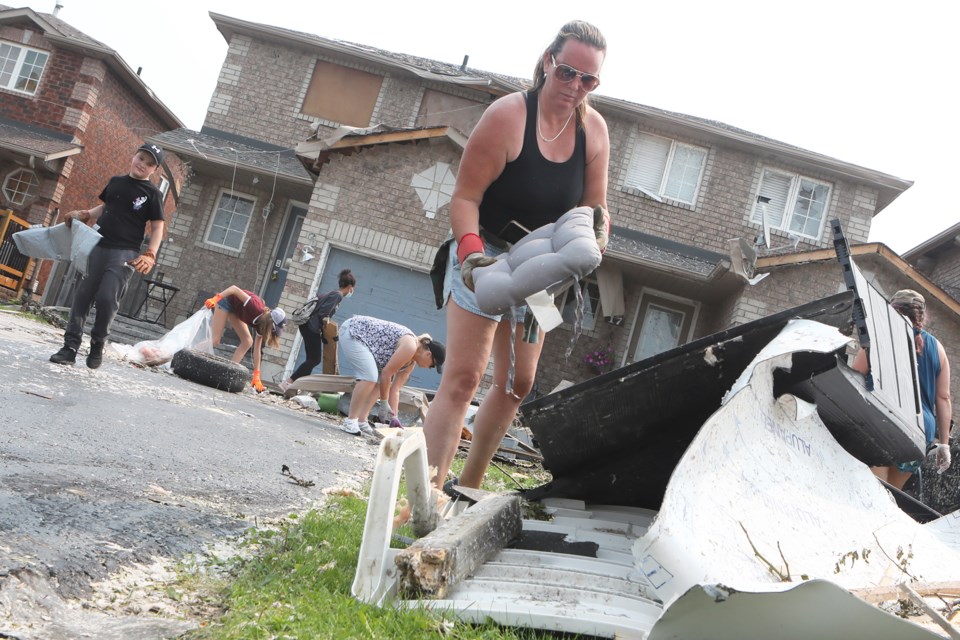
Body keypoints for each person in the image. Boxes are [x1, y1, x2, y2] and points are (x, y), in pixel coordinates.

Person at [422, 21, 611, 489]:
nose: (575, 87)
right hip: (484, 255)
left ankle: (465, 488)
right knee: (464, 377)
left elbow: (595, 209)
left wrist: (597, 237)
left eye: (588, 80)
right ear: (548, 61)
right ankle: (422, 498)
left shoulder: (594, 131)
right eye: (568, 73)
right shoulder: (508, 116)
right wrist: (469, 256)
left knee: (518, 384)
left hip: (542, 271)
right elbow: (464, 198)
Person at [49, 142, 166, 369]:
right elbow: (106, 207)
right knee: (82, 295)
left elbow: (158, 227)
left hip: (125, 252)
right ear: (134, 156)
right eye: (141, 158)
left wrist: (151, 253)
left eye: (150, 163)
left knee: (106, 298)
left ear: (154, 170)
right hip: (98, 245)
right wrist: (85, 214)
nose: (143, 164)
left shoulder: (152, 194)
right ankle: (70, 348)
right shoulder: (115, 182)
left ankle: (97, 343)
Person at [853, 289, 953, 489]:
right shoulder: (938, 349)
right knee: (891, 495)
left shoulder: (878, 338)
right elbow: (943, 397)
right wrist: (944, 444)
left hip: (883, 423)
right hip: (919, 433)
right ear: (922, 315)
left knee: (873, 492)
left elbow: (855, 377)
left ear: (891, 310)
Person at [337, 315, 445, 436]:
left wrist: (394, 417)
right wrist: (383, 403)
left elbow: (395, 389)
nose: (430, 368)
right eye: (432, 365)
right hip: (353, 331)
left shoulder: (410, 363)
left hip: (362, 340)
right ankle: (350, 420)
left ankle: (362, 420)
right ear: (428, 354)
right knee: (369, 377)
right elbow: (386, 374)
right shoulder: (410, 346)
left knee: (379, 384)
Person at [279, 268, 356, 391]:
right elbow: (323, 314)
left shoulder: (333, 293)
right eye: (353, 289)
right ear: (350, 287)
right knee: (315, 359)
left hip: (308, 326)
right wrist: (325, 332)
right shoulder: (337, 295)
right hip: (312, 328)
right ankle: (288, 383)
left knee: (311, 359)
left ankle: (298, 386)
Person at [203, 286, 287, 393]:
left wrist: (256, 375)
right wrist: (216, 298)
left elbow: (257, 351)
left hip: (235, 309)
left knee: (248, 341)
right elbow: (234, 289)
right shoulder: (255, 307)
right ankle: (189, 351)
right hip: (226, 301)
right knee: (215, 340)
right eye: (273, 330)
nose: (272, 333)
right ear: (270, 323)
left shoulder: (261, 326)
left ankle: (228, 372)